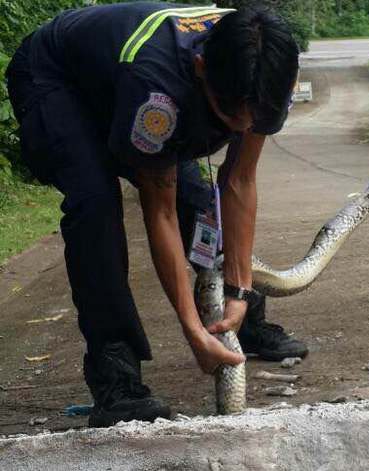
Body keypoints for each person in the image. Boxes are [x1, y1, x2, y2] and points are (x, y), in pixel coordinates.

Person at [6, 2, 307, 428]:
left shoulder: (271, 71)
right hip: (56, 78)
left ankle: (241, 319)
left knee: (199, 203)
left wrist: (239, 289)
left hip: (137, 79)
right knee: (95, 207)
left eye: (251, 123)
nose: (240, 131)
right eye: (228, 119)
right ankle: (116, 376)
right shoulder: (156, 89)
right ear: (202, 68)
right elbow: (159, 207)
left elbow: (238, 182)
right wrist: (191, 329)